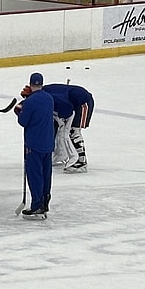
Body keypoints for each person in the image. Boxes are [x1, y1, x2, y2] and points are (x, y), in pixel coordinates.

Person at [15, 72, 55, 220]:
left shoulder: (30, 101)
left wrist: (22, 106)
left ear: (30, 84)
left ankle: (37, 205)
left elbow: (23, 121)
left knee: (35, 174)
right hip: (48, 142)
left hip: (34, 143)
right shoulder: (49, 98)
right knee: (46, 174)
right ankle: (44, 202)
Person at [42, 83, 94, 173]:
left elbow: (67, 108)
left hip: (83, 103)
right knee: (58, 128)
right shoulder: (43, 95)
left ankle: (81, 162)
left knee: (73, 131)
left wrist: (63, 119)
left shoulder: (49, 98)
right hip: (71, 104)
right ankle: (60, 154)